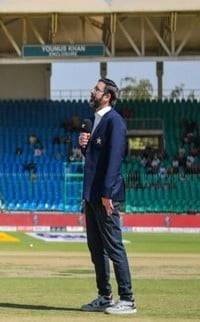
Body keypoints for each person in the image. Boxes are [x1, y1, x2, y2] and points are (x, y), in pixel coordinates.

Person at [79, 78, 136, 315]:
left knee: (114, 246)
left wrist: (107, 193)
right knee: (96, 248)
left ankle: (128, 299)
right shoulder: (95, 121)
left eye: (97, 89)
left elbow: (115, 159)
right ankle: (105, 296)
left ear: (107, 97)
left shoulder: (115, 121)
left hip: (105, 196)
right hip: (92, 195)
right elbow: (96, 157)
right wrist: (84, 145)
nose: (92, 91)